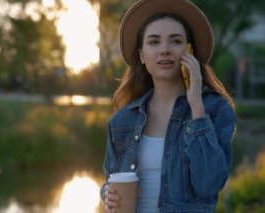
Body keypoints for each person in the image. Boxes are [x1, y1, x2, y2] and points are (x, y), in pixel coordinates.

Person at [100, 0, 237, 212]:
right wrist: (107, 193)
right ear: (142, 55)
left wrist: (197, 108)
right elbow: (112, 180)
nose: (164, 50)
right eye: (154, 42)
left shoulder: (216, 109)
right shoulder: (122, 121)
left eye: (175, 41)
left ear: (189, 51)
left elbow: (209, 184)